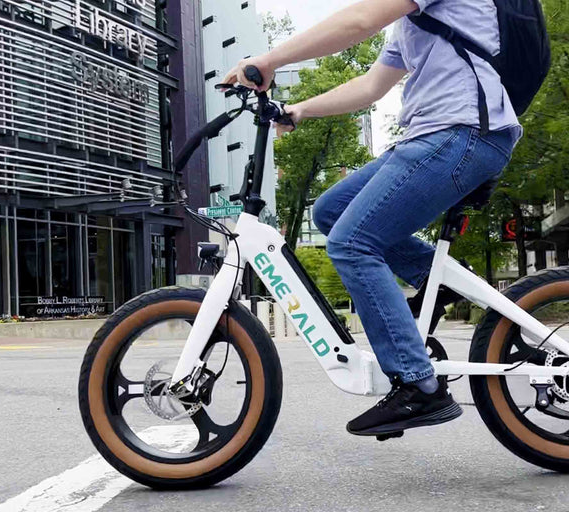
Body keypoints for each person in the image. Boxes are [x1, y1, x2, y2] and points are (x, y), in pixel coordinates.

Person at [223, 0, 521, 436]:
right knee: (330, 211)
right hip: (435, 135)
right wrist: (300, 110)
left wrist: (268, 60)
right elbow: (372, 85)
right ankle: (441, 282)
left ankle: (419, 385)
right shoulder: (410, 24)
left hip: (462, 132)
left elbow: (358, 21)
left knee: (352, 242)